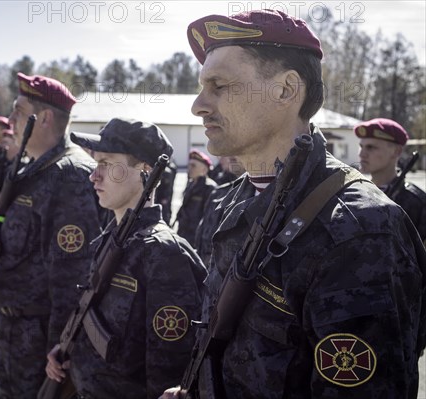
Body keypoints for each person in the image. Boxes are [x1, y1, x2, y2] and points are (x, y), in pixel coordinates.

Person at [162, 9, 426, 398]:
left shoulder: (360, 228)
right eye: (203, 87)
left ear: (286, 90)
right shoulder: (231, 203)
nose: (199, 105)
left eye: (219, 86)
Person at [45, 118, 207, 398]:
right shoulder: (111, 237)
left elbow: (169, 373)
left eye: (106, 164)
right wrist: (68, 347)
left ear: (145, 170)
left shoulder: (163, 254)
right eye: (96, 164)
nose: (93, 175)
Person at [0, 74, 102, 398]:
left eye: (18, 110)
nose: (10, 119)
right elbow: (26, 242)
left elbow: (72, 275)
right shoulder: (35, 167)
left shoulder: (69, 174)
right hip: (11, 329)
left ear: (44, 118)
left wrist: (59, 349)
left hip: (39, 339)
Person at [355, 118, 426, 242]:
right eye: (361, 146)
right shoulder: (355, 193)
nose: (362, 154)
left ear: (396, 151)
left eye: (371, 147)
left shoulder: (416, 203)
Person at [174, 149, 216, 246]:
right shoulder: (191, 183)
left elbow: (209, 218)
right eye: (189, 165)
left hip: (196, 237)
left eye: (193, 166)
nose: (189, 168)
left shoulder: (210, 188)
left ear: (204, 169)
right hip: (184, 232)